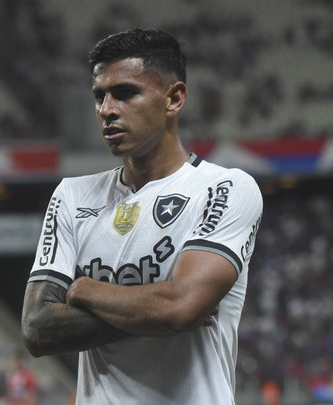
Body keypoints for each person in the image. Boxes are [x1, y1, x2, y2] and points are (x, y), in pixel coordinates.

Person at [21, 28, 263, 404]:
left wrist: (86, 290)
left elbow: (180, 308)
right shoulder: (71, 196)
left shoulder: (225, 188)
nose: (107, 109)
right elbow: (38, 328)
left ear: (174, 99)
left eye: (125, 93)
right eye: (99, 96)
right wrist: (159, 309)